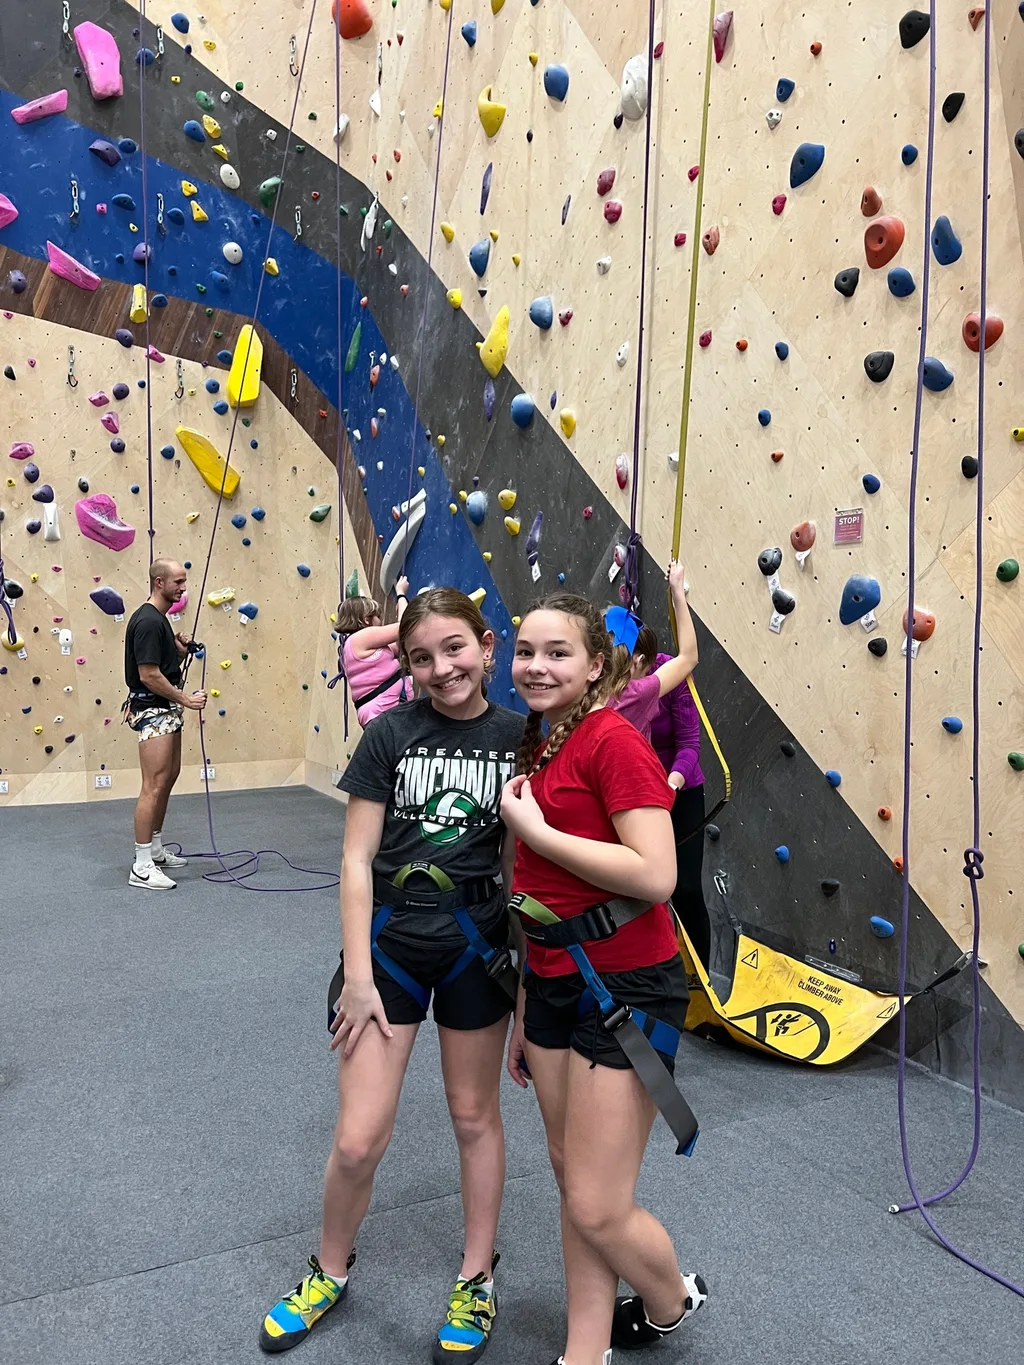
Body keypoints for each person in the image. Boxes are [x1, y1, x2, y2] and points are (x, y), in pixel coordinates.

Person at [259, 589, 525, 1364]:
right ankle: (328, 1267)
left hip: (477, 946)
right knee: (357, 1138)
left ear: (487, 645)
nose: (442, 667)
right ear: (405, 665)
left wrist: (527, 980)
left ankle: (477, 1277)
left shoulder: (520, 739)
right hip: (390, 948)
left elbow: (521, 865)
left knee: (473, 1116)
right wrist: (358, 974)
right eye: (422, 657)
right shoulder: (390, 735)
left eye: (455, 648)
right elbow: (354, 858)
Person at [501, 572, 708, 1365]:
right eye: (525, 650)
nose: (537, 665)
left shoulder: (612, 739)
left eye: (557, 652)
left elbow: (655, 874)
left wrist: (535, 830)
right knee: (571, 1174)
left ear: (595, 664)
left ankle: (669, 1298)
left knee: (595, 1199)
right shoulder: (546, 738)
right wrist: (527, 998)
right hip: (555, 977)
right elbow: (541, 892)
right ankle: (583, 1350)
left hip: (627, 984)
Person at [122, 559, 207, 891]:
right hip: (153, 709)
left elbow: (161, 665)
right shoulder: (147, 621)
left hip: (164, 708)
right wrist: (186, 699)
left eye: (184, 581)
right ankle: (141, 865)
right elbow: (148, 675)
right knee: (153, 785)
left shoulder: (159, 619)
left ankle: (155, 849)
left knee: (169, 777)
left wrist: (178, 651)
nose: (183, 588)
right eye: (178, 582)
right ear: (159, 582)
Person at [648, 647, 712, 970]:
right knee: (646, 890)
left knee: (686, 888)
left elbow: (689, 745)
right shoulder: (606, 675)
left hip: (680, 788)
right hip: (635, 792)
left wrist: (670, 785)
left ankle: (700, 978)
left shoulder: (670, 673)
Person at [603, 562, 695, 741]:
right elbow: (688, 657)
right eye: (646, 671)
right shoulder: (632, 695)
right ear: (638, 661)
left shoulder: (581, 685)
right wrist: (677, 591)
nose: (646, 676)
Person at [338, 574, 414, 727]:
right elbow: (407, 626)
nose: (381, 621)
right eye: (378, 616)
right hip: (383, 713)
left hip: (383, 714)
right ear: (367, 619)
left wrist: (401, 609)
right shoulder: (360, 638)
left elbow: (398, 645)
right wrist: (401, 594)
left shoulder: (356, 646)